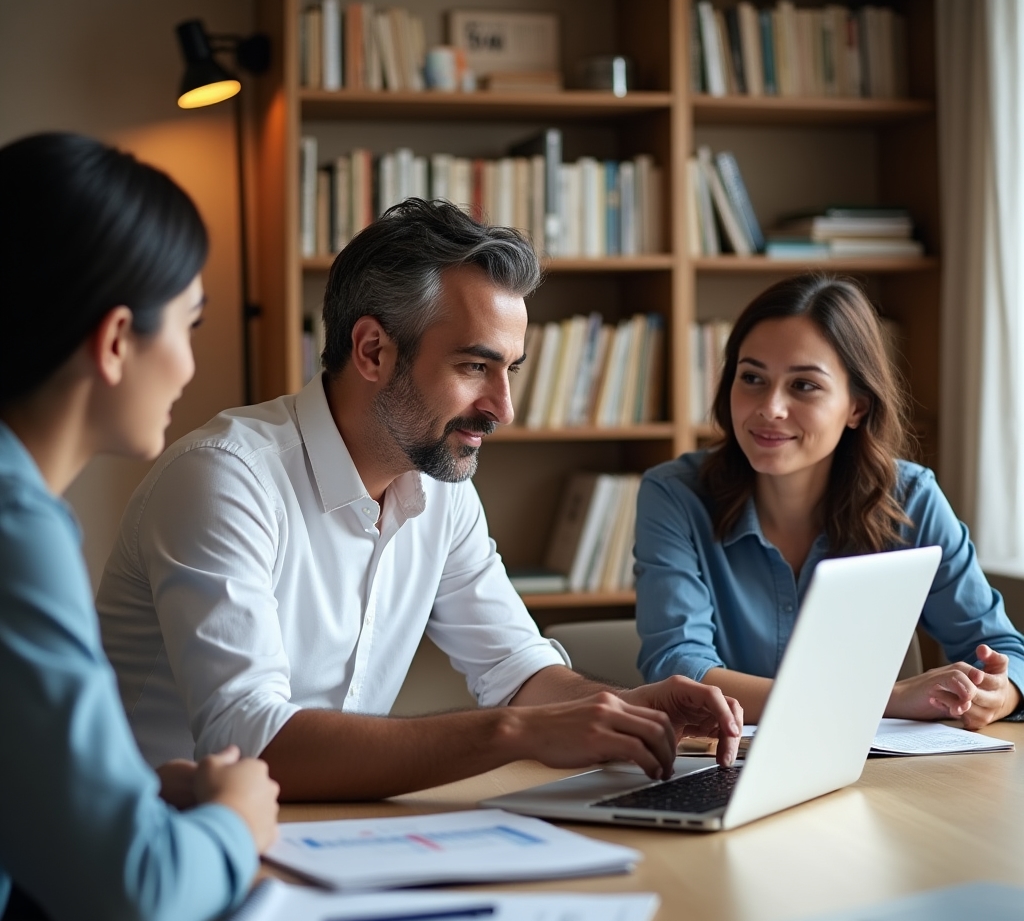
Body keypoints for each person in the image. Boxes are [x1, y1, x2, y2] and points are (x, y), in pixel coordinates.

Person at [97, 198, 743, 803]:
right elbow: (250, 743)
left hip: (322, 839)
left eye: (509, 371)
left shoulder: (441, 487)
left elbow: (519, 672)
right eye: (473, 368)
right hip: (159, 857)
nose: (503, 409)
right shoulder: (225, 480)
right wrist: (511, 733)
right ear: (373, 350)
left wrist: (632, 711)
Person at [0, 133, 280, 921]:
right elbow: (134, 890)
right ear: (117, 339)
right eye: (190, 324)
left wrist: (121, 790)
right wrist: (237, 815)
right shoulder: (15, 528)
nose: (192, 366)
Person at [635, 273, 1024, 727]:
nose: (771, 408)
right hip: (722, 766)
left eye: (803, 386)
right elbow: (680, 670)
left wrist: (999, 692)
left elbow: (1005, 651)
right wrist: (886, 698)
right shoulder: (675, 494)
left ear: (857, 406)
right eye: (752, 377)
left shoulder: (911, 498)